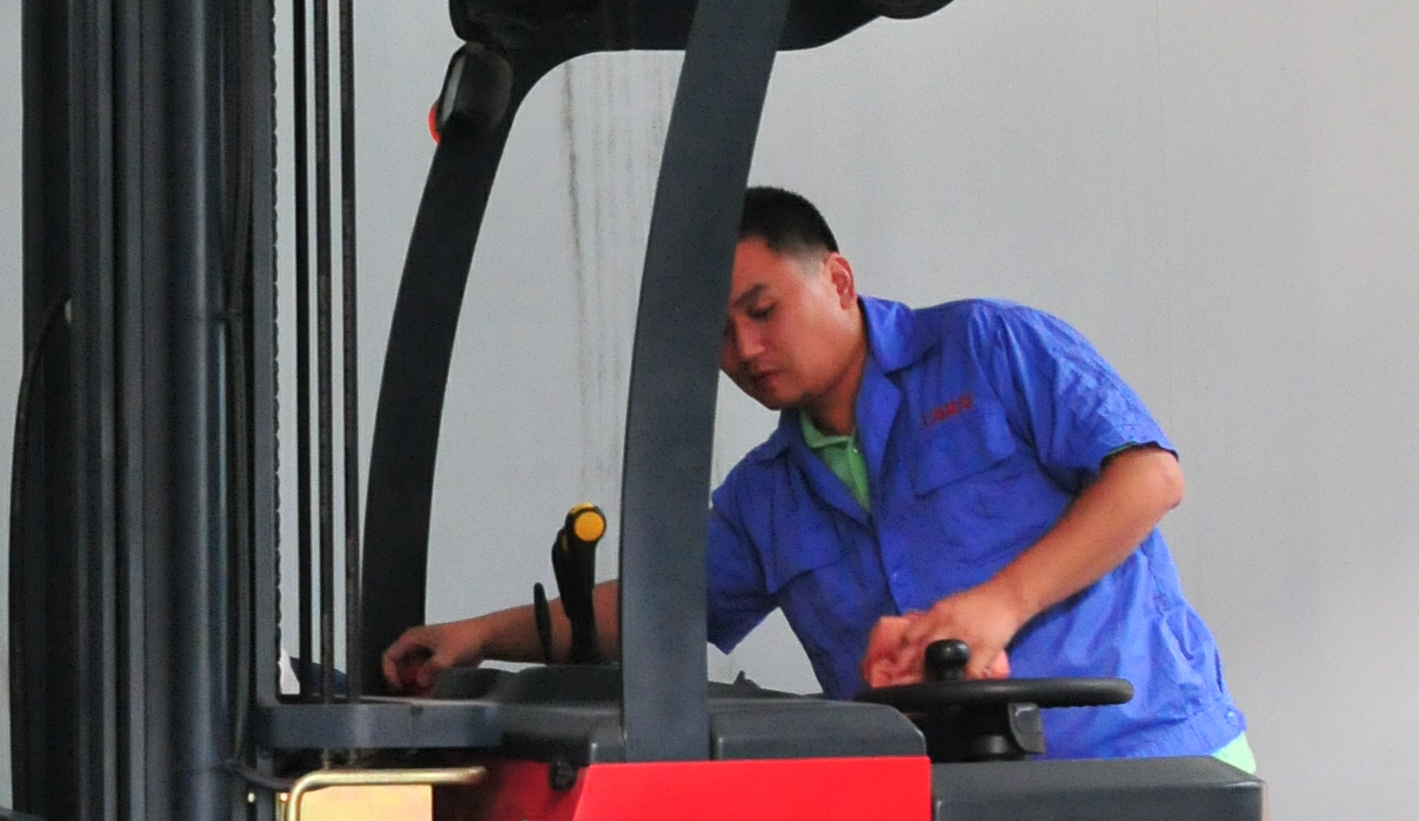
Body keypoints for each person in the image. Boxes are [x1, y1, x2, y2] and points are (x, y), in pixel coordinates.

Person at [380, 185, 1250, 764]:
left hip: (1144, 765)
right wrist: (475, 638)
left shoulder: (990, 349)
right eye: (720, 337)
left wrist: (999, 606)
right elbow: (654, 608)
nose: (747, 351)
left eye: (762, 311)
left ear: (836, 280)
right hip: (956, 809)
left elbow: (1147, 479)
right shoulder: (768, 497)